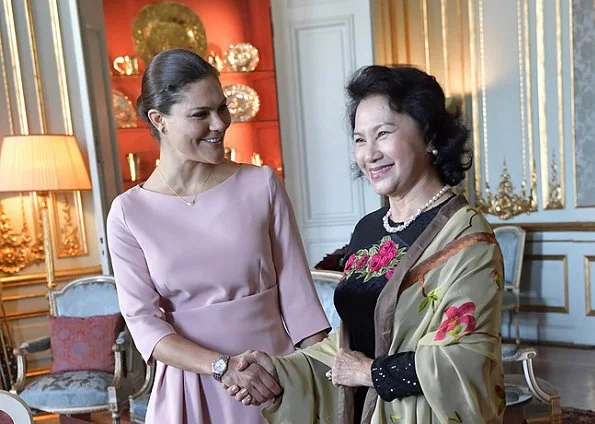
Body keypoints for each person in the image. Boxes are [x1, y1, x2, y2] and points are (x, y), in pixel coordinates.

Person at [227, 65, 505, 423]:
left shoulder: (467, 238)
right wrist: (280, 371)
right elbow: (346, 346)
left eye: (383, 134)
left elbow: (467, 360)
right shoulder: (369, 230)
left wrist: (371, 374)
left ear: (430, 135)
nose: (369, 153)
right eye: (360, 139)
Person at [106, 48, 330, 424]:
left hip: (272, 378)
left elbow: (300, 300)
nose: (219, 124)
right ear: (158, 119)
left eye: (221, 108)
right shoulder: (129, 213)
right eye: (200, 115)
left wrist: (324, 383)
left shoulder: (261, 184)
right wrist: (221, 366)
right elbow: (144, 323)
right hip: (190, 389)